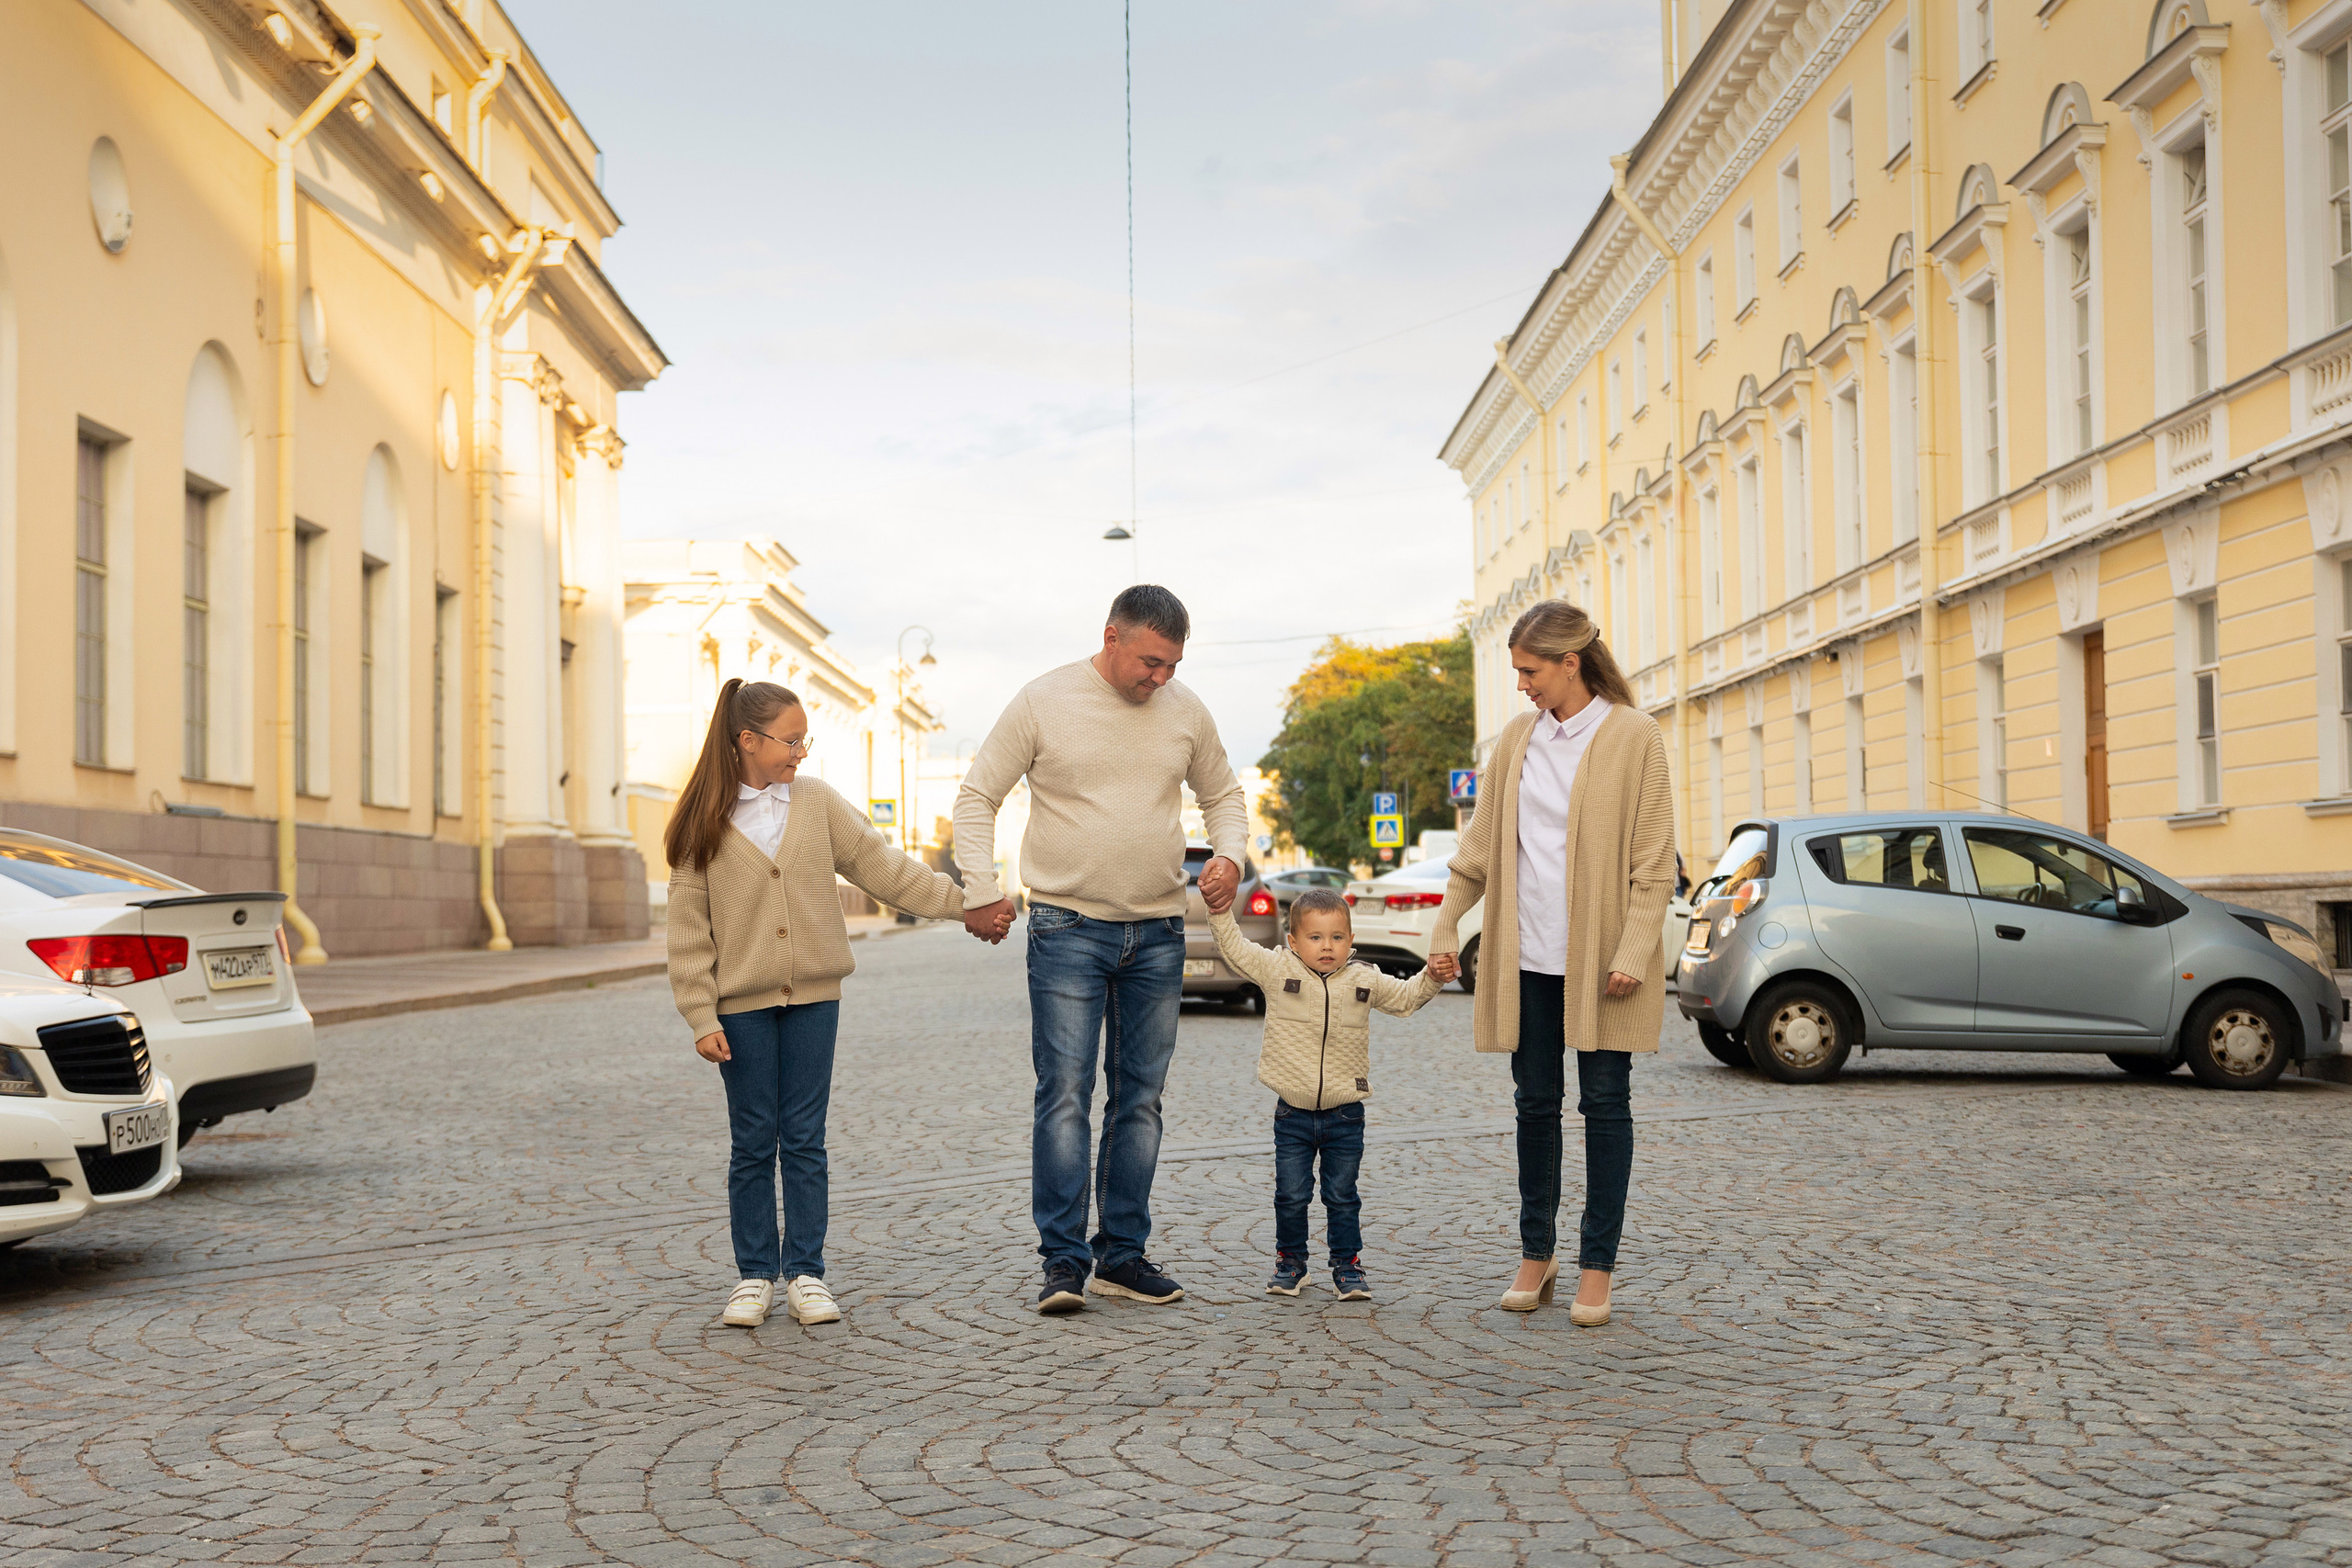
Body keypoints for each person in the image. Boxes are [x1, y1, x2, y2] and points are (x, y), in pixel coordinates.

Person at [666, 678, 1012, 1330]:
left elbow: (883, 866)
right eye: (791, 740)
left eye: (804, 739)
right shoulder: (701, 822)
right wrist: (700, 1013)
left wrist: (963, 902)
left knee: (804, 1139)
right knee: (751, 1140)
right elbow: (688, 928)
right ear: (748, 740)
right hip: (739, 1006)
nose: (801, 751)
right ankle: (753, 1275)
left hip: (814, 999)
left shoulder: (817, 801)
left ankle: (806, 1272)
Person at [955, 585, 1250, 1314]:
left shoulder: (1187, 711)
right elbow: (976, 795)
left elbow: (1226, 796)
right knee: (1063, 1096)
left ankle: (1122, 1255)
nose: (1160, 679)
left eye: (1173, 665)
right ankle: (1062, 1261)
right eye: (1150, 661)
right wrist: (980, 885)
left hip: (1159, 932)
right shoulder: (1043, 700)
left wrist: (1232, 857)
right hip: (1066, 928)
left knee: (1140, 1101)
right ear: (1112, 636)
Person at [1427, 600, 1675, 1326]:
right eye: (1516, 671)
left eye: (1530, 670)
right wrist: (1447, 925)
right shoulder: (1516, 739)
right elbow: (1478, 851)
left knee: (1604, 1104)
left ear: (1571, 662)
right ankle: (1538, 1253)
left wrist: (1633, 948)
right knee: (1534, 1103)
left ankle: (1597, 1265)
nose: (1522, 685)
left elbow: (1654, 863)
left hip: (1604, 962)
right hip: (1526, 954)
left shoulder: (1634, 735)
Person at [1201, 887, 1455, 1298]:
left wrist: (1433, 977)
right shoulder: (1275, 969)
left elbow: (1407, 999)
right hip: (1293, 1113)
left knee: (1342, 1195)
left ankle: (1347, 1266)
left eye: (1337, 937)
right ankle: (1291, 1263)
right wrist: (1218, 911)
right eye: (1316, 937)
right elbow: (1233, 947)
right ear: (1294, 941)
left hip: (1345, 1115)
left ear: (1350, 941)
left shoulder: (1364, 978)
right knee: (1291, 1194)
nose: (1327, 946)